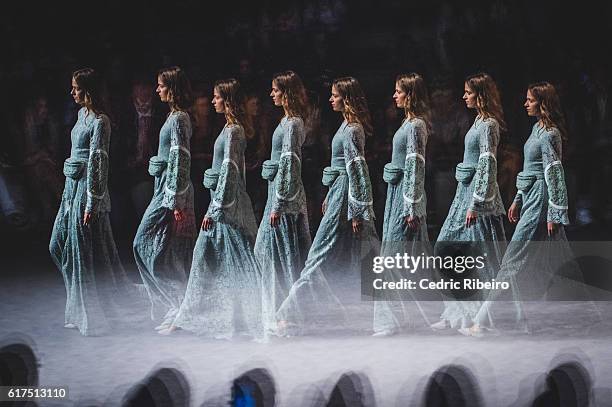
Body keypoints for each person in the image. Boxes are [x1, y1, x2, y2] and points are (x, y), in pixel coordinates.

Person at [468, 82, 588, 336]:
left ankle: (481, 319)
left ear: (542, 103)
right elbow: (530, 170)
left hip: (542, 199)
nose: (526, 104)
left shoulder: (551, 134)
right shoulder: (536, 129)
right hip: (532, 196)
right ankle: (531, 318)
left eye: (531, 100)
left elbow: (554, 173)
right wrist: (518, 198)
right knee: (553, 258)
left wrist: (555, 212)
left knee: (513, 258)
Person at [162, 79, 264, 340]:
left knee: (237, 260)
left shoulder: (234, 132)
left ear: (227, 100)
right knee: (225, 260)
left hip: (227, 207)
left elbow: (231, 172)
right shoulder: (230, 129)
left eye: (217, 97)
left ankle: (257, 315)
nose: (213, 101)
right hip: (223, 203)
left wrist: (215, 209)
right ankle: (194, 316)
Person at [276, 77, 378, 335]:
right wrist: (331, 194)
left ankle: (287, 312)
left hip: (346, 197)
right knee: (364, 253)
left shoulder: (353, 129)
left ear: (347, 98)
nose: (331, 99)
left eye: (335, 95)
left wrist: (356, 209)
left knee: (320, 254)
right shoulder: (346, 125)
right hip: (339, 194)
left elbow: (358, 170)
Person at [49, 68, 130, 335]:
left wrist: (92, 203)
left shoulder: (100, 121)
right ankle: (79, 306)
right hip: (71, 187)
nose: (72, 92)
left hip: (86, 189)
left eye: (77, 88)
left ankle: (89, 315)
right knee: (58, 245)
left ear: (89, 90)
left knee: (83, 254)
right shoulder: (80, 115)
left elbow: (98, 162)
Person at [431, 73, 507, 333]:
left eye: (468, 92)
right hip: (463, 193)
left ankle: (481, 319)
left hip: (477, 196)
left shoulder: (489, 125)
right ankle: (455, 312)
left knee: (479, 257)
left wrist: (477, 203)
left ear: (481, 95)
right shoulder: (477, 121)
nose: (464, 96)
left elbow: (488, 164)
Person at [133, 66, 196, 331]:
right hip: (165, 189)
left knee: (148, 245)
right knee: (156, 249)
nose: (157, 89)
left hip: (171, 193)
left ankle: (179, 307)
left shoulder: (180, 119)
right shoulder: (173, 117)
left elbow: (181, 159)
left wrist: (176, 202)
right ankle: (176, 307)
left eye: (160, 85)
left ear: (172, 88)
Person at [373, 73, 433, 336]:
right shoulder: (407, 123)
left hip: (405, 198)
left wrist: (411, 207)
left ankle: (390, 321)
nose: (394, 96)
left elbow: (415, 166)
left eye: (399, 91)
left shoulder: (416, 126)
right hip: (396, 196)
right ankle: (397, 318)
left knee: (392, 259)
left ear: (410, 95)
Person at [255, 71, 312, 333]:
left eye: (276, 90)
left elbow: (290, 164)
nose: (271, 94)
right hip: (276, 194)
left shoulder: (293, 124)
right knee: (270, 253)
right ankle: (280, 311)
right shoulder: (286, 121)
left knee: (283, 257)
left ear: (286, 92)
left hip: (284, 199)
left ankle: (288, 315)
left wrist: (278, 203)